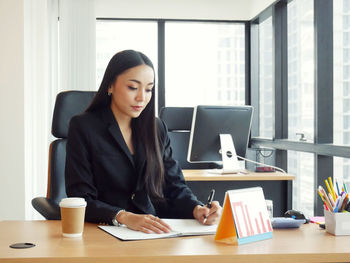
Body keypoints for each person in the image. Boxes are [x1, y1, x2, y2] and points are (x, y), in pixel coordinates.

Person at [65, 49, 222, 234]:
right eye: (133, 87)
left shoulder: (156, 128)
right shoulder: (84, 127)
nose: (142, 97)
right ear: (110, 86)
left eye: (148, 89)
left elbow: (174, 186)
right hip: (102, 231)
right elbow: (81, 197)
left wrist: (197, 209)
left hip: (150, 232)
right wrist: (123, 216)